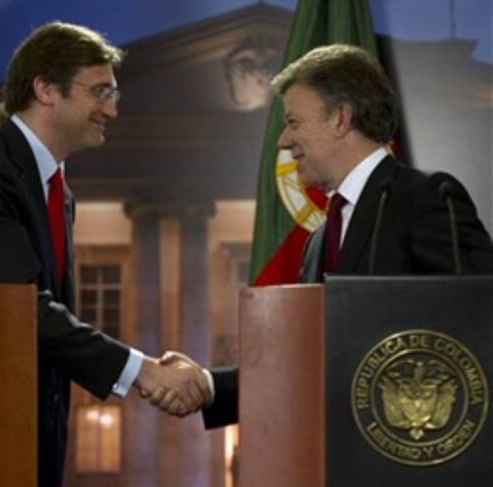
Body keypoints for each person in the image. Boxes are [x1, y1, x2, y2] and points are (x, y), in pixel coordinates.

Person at [0, 22, 212, 487]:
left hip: (31, 427)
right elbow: (21, 308)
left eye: (113, 94)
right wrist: (141, 371)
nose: (112, 109)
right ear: (46, 89)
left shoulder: (55, 188)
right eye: (100, 92)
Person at [160, 44, 493, 428]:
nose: (284, 140)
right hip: (336, 450)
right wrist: (208, 385)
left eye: (294, 122)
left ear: (340, 118)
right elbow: (309, 361)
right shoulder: (318, 240)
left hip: (417, 443)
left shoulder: (425, 198)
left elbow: (478, 321)